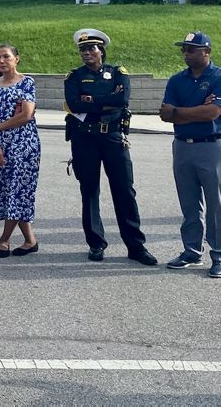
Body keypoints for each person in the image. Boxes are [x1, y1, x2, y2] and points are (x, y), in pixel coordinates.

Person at [63, 30, 156, 265]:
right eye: (83, 50)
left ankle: (135, 246)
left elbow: (122, 101)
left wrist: (91, 100)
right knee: (90, 191)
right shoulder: (74, 77)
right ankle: (95, 243)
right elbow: (73, 104)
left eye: (92, 49)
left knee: (124, 191)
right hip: (85, 139)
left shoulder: (117, 73)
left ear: (101, 50)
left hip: (114, 137)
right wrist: (105, 99)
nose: (87, 53)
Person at [159, 32, 221, 278]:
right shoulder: (176, 80)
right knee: (189, 203)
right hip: (183, 145)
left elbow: (212, 113)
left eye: (191, 49)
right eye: (184, 49)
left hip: (212, 145)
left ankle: (220, 254)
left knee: (216, 204)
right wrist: (196, 109)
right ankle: (192, 251)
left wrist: (180, 112)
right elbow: (164, 113)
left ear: (206, 52)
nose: (186, 54)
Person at [0, 43, 40, 258]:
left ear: (17, 59)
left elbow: (26, 115)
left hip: (22, 146)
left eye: (6, 57)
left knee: (17, 191)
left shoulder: (26, 83)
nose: (1, 61)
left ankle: (4, 239)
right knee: (7, 192)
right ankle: (30, 240)